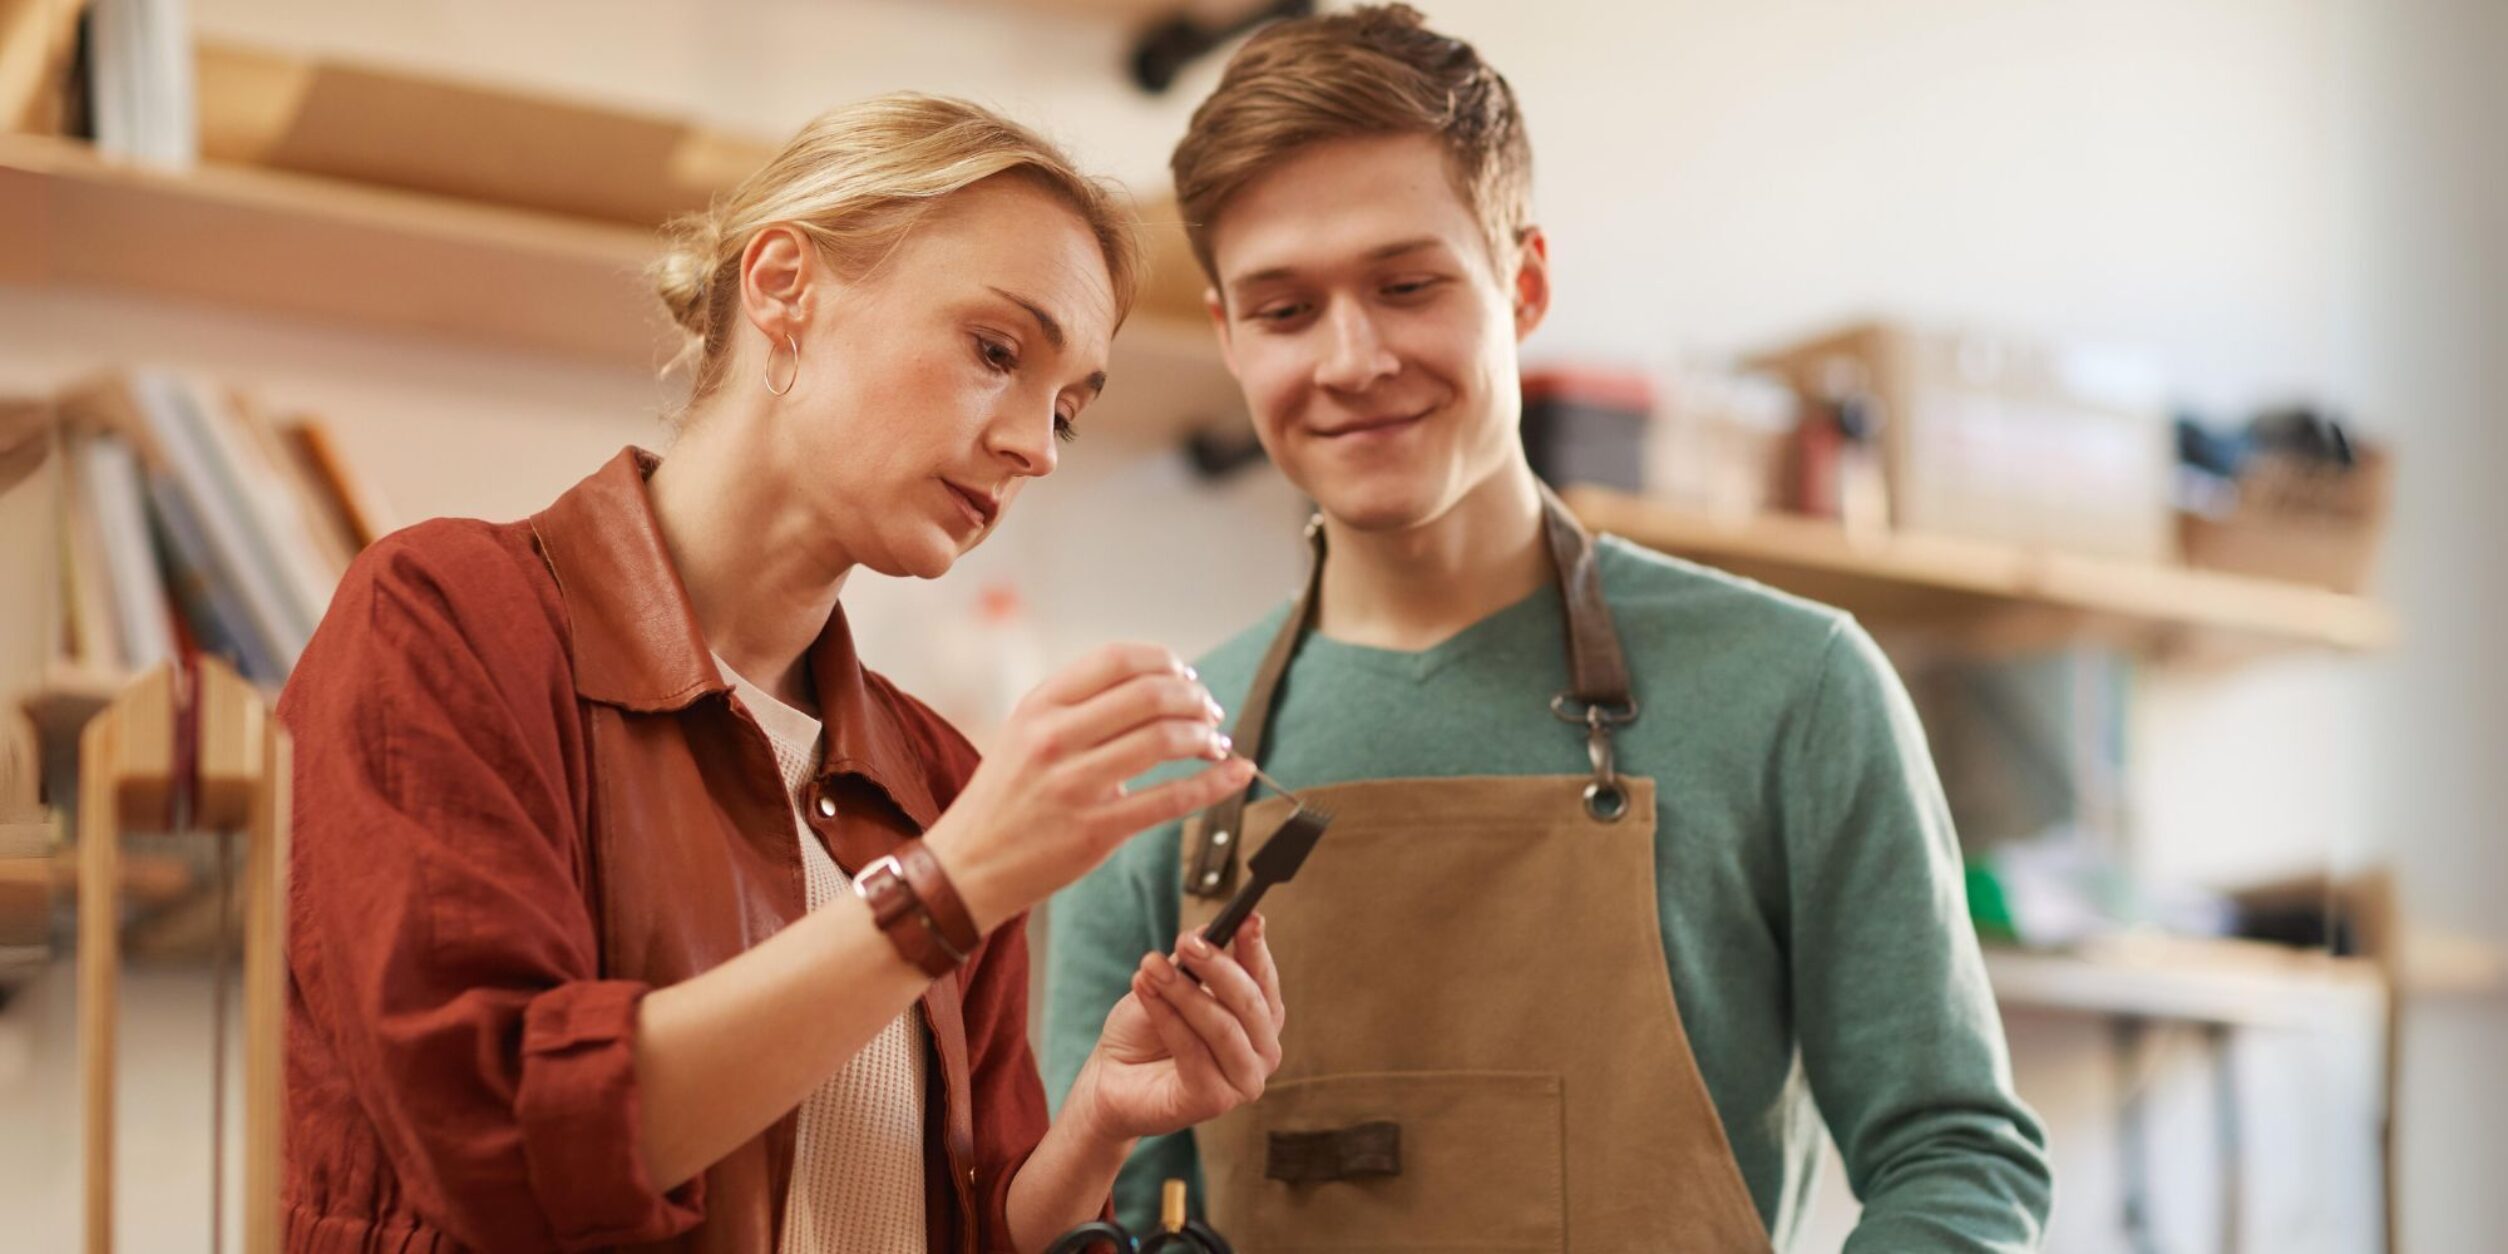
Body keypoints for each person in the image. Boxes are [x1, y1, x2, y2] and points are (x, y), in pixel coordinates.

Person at [1041, 9, 2053, 1250]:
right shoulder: (1159, 764)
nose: (1352, 359)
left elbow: (1956, 1162)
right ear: (1230, 333)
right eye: (1285, 310)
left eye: (1407, 286)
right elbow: (1095, 1221)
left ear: (1523, 283)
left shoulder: (1797, 688)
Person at [277, 94, 1286, 1254]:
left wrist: (1100, 1123)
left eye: (1067, 409)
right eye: (996, 352)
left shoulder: (940, 779)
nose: (1037, 447)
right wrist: (940, 894)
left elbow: (963, 1227)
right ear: (783, 287)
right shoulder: (450, 620)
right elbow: (501, 1139)